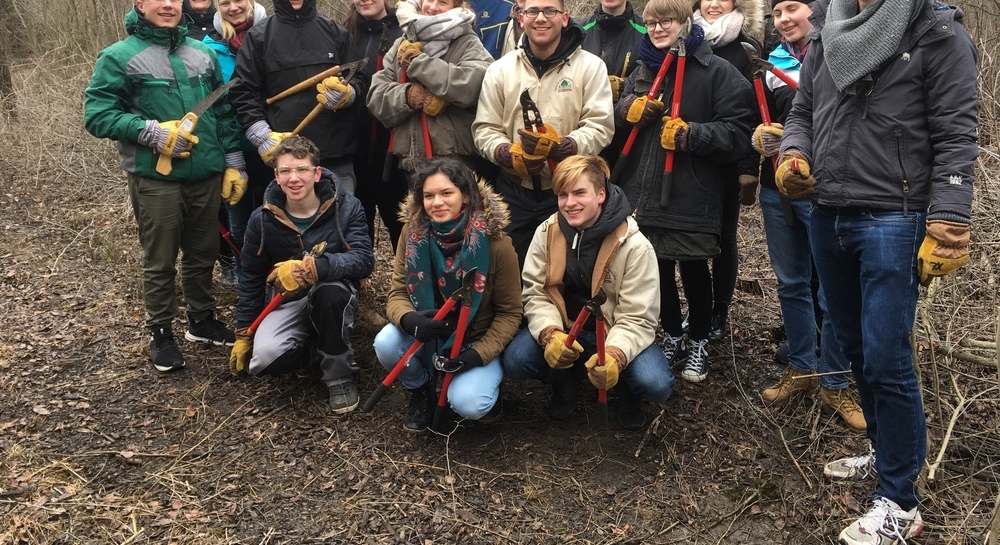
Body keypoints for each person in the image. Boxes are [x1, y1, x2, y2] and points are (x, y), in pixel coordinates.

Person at [779, 0, 977, 545]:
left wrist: (949, 217)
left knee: (888, 357)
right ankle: (889, 454)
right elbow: (803, 111)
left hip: (894, 217)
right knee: (858, 348)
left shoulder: (935, 32)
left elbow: (956, 131)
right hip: (827, 212)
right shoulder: (828, 27)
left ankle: (900, 502)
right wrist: (793, 155)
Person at [84, 0, 244, 372]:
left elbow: (223, 113)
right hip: (156, 179)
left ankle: (201, 321)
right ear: (142, 5)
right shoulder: (119, 56)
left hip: (206, 174)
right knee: (159, 259)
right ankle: (160, 334)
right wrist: (149, 132)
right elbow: (98, 114)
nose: (169, 4)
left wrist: (232, 164)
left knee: (203, 253)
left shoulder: (203, 52)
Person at [615, 0, 754, 384]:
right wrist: (627, 109)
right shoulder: (643, 68)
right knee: (655, 268)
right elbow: (617, 115)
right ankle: (673, 333)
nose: (659, 29)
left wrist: (692, 135)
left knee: (693, 269)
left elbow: (740, 133)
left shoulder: (718, 72)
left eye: (668, 21)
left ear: (686, 23)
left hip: (692, 190)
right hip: (643, 190)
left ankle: (698, 342)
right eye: (653, 22)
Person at [752, 0, 864, 431]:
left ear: (814, 12)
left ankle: (835, 380)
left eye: (792, 9)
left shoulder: (838, 54)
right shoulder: (766, 66)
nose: (784, 19)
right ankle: (802, 365)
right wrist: (758, 138)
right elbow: (752, 120)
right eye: (777, 13)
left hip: (825, 188)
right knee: (791, 281)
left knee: (832, 287)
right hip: (774, 187)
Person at [503, 155, 674, 430]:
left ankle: (627, 393)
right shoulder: (547, 231)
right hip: (567, 328)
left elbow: (638, 317)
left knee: (655, 383)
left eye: (580, 193)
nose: (570, 203)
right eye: (563, 195)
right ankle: (563, 381)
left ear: (601, 194)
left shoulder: (634, 245)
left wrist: (616, 356)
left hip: (614, 330)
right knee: (515, 360)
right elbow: (536, 292)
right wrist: (550, 334)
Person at [473, 0, 615, 268]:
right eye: (533, 11)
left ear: (564, 19)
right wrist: (505, 153)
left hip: (569, 191)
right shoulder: (500, 70)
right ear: (521, 18)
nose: (540, 18)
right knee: (512, 271)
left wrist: (569, 146)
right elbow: (483, 128)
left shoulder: (590, 67)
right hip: (513, 193)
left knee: (570, 271)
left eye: (550, 11)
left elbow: (601, 124)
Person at [373, 158, 521, 431]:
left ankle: (488, 390)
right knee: (385, 343)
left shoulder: (496, 243)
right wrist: (409, 320)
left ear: (465, 196)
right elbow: (397, 293)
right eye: (428, 195)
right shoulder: (412, 233)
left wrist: (477, 354)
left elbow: (510, 313)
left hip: (472, 340)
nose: (436, 202)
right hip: (427, 334)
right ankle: (420, 390)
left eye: (446, 193)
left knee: (469, 405)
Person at [229, 136, 374, 413]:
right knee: (264, 361)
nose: (294, 178)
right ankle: (317, 347)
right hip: (286, 299)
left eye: (302, 170)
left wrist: (313, 269)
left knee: (329, 293)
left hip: (333, 290)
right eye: (285, 171)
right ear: (276, 176)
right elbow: (250, 274)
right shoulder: (261, 218)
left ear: (316, 173)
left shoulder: (347, 207)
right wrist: (244, 330)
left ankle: (339, 375)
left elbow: (363, 260)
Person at [230, 0, 368, 200]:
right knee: (287, 234)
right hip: (285, 158)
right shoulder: (259, 37)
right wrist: (261, 136)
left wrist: (349, 95)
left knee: (339, 227)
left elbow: (360, 78)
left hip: (335, 155)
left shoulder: (334, 31)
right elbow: (243, 92)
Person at [679, 0, 764, 340]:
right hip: (690, 154)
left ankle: (719, 311)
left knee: (725, 238)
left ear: (737, 3)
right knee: (691, 238)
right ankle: (695, 311)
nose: (714, 4)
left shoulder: (747, 49)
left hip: (729, 157)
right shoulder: (684, 43)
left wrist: (749, 167)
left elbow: (755, 113)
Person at [367, 0, 493, 174]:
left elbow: (472, 86)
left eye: (443, 2)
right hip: (410, 162)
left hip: (455, 160)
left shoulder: (467, 42)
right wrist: (408, 96)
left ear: (456, 6)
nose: (433, 7)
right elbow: (375, 96)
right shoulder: (402, 43)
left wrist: (420, 64)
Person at [202, 0, 268, 286]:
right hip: (233, 148)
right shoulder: (209, 49)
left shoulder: (272, 35)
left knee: (273, 219)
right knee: (240, 225)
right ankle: (248, 285)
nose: (233, 7)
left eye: (238, 0)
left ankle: (277, 284)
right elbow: (211, 102)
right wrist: (229, 153)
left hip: (272, 145)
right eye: (225, 2)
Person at [344, 0, 406, 251]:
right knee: (359, 212)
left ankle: (406, 275)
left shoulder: (403, 30)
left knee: (398, 215)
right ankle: (359, 276)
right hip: (355, 140)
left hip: (394, 140)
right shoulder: (345, 33)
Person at [579, 0, 646, 102]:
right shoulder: (578, 31)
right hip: (585, 120)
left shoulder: (647, 31)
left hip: (631, 121)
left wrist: (623, 86)